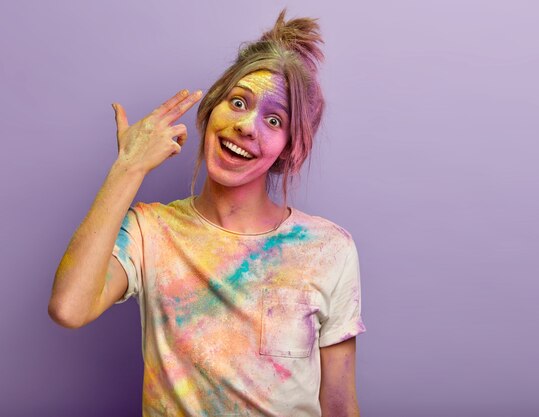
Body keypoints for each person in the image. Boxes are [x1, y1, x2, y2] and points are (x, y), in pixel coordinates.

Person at [49, 9, 365, 417]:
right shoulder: (151, 231)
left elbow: (339, 404)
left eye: (273, 119)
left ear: (288, 148)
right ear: (211, 109)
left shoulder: (328, 249)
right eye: (238, 102)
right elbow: (69, 307)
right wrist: (128, 168)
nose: (247, 126)